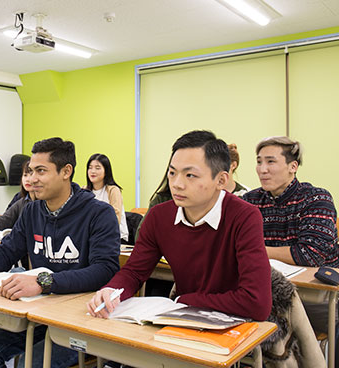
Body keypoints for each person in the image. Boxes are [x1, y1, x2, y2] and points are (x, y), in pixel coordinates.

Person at [0, 137, 120, 368]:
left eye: (41, 171)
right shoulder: (32, 211)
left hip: (81, 319)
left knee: (33, 363)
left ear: (66, 171)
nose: (32, 179)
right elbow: (7, 252)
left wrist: (43, 282)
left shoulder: (99, 213)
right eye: (30, 171)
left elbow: (104, 271)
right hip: (39, 312)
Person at [89, 130, 272, 324]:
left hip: (233, 322)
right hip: (184, 318)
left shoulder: (244, 216)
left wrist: (184, 300)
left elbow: (256, 304)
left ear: (221, 180)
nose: (177, 184)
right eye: (172, 173)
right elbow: (134, 271)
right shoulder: (159, 216)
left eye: (190, 175)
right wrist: (112, 290)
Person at [242, 136, 339, 364]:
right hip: (269, 293)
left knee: (272, 325)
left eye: (270, 162)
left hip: (319, 297)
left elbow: (310, 254)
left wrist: (257, 250)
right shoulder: (251, 201)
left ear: (292, 167)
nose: (262, 170)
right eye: (258, 162)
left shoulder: (317, 198)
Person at [86, 153, 129, 241]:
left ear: (106, 171)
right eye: (90, 168)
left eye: (97, 168)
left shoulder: (113, 190)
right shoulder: (84, 191)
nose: (92, 171)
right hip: (91, 237)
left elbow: (115, 218)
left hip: (113, 237)